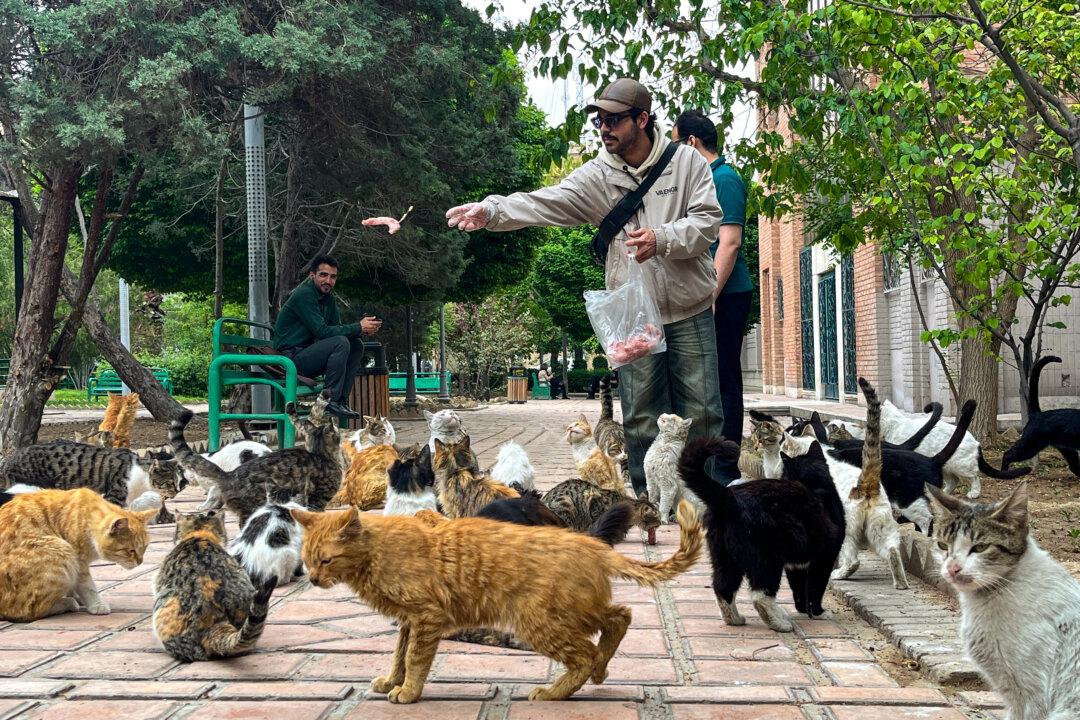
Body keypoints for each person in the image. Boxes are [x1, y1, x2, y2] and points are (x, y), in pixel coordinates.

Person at [446, 79, 732, 493]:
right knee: (638, 414)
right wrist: (492, 210)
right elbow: (544, 201)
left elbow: (708, 223)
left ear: (642, 119)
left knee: (704, 410)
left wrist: (662, 238)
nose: (604, 128)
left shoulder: (686, 162)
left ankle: (711, 497)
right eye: (600, 121)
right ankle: (648, 498)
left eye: (614, 120)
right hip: (633, 317)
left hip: (688, 307)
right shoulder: (598, 175)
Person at [672, 111, 751, 443]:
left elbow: (729, 243)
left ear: (692, 143)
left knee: (723, 380)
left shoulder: (725, 179)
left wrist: (710, 296)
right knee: (704, 380)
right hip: (706, 294)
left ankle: (726, 466)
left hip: (725, 294)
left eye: (675, 144)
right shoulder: (700, 183)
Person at [273, 255, 382, 419]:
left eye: (333, 277)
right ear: (312, 275)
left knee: (356, 345)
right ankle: (330, 400)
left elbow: (335, 329)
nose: (328, 281)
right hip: (290, 360)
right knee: (340, 342)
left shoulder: (328, 298)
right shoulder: (304, 295)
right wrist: (357, 326)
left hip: (307, 356)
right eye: (323, 275)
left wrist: (361, 331)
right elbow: (323, 332)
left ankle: (341, 400)